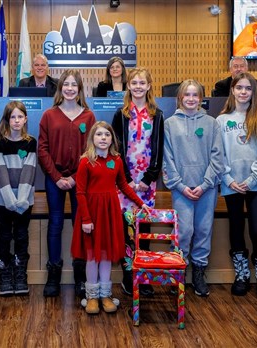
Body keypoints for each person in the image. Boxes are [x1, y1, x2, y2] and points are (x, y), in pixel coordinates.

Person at [71, 121, 150, 314]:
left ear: (112, 139)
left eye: (107, 135)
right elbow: (80, 193)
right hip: (91, 212)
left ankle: (105, 295)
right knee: (92, 255)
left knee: (106, 255)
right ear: (92, 138)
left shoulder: (117, 160)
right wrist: (86, 219)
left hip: (109, 212)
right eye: (99, 135)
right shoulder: (85, 161)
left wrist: (141, 203)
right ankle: (91, 297)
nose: (103, 138)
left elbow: (123, 185)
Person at [216, 72, 257, 299]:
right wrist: (229, 179)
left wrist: (251, 180)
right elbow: (218, 153)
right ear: (232, 90)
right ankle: (241, 274)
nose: (243, 92)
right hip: (232, 182)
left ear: (254, 92)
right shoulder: (221, 120)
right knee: (236, 227)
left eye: (248, 88)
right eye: (239, 87)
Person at [163, 79, 224, 297]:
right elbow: (167, 158)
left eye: (195, 95)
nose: (191, 99)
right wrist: (179, 185)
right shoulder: (170, 123)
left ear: (201, 98)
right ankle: (176, 272)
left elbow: (218, 157)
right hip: (181, 188)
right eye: (186, 95)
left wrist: (205, 184)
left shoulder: (211, 123)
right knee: (184, 230)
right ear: (180, 98)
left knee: (204, 230)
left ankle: (199, 271)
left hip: (206, 188)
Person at [38, 69, 96, 297]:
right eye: (66, 84)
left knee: (81, 225)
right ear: (60, 88)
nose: (70, 88)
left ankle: (80, 276)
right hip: (55, 178)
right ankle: (53, 274)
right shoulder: (49, 115)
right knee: (55, 224)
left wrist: (74, 178)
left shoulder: (88, 116)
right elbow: (42, 149)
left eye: (74, 85)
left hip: (81, 179)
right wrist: (57, 177)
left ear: (80, 89)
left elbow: (92, 150)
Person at [110, 67, 164, 297]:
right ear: (128, 86)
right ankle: (128, 276)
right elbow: (115, 148)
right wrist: (129, 179)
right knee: (126, 229)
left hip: (147, 184)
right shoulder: (120, 114)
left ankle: (144, 276)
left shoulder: (157, 114)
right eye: (134, 83)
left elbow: (159, 148)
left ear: (149, 86)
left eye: (143, 83)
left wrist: (148, 178)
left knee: (144, 229)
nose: (138, 86)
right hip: (125, 183)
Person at [0, 101, 37, 296]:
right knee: (3, 234)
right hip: (3, 199)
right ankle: (5, 275)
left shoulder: (30, 142)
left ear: (26, 119)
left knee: (21, 235)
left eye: (20, 117)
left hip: (25, 199)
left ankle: (20, 273)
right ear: (7, 120)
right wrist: (11, 200)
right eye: (13, 117)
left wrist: (21, 199)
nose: (16, 121)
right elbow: (0, 170)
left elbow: (30, 170)